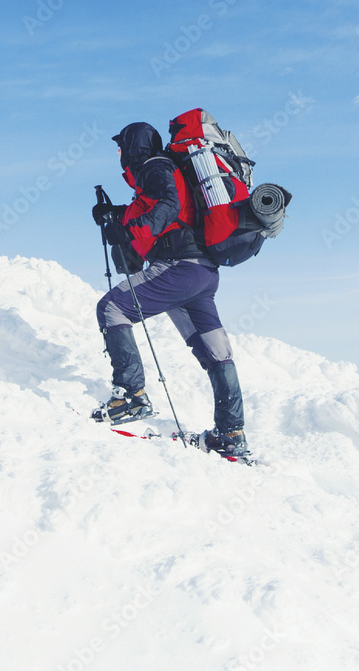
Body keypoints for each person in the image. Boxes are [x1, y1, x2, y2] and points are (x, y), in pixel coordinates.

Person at [91, 121, 250, 460]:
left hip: (179, 268)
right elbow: (169, 210)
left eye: (121, 147)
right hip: (202, 274)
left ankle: (131, 396)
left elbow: (169, 205)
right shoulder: (161, 171)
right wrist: (115, 215)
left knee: (112, 309)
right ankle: (231, 433)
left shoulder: (155, 167)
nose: (118, 153)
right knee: (216, 352)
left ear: (134, 147)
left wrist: (132, 227)